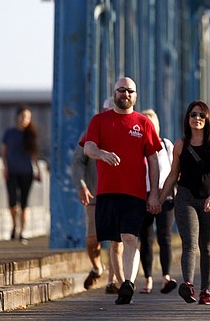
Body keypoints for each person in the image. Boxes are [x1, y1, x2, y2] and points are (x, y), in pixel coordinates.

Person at [82, 77, 163, 305]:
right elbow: (88, 147)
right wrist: (102, 154)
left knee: (129, 238)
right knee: (112, 241)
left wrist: (154, 192)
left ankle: (128, 283)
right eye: (121, 90)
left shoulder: (143, 123)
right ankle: (120, 281)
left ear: (135, 96)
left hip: (134, 193)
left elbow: (153, 158)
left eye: (130, 91)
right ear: (114, 93)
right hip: (107, 192)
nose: (125, 94)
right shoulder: (99, 120)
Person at [160, 100, 210, 305]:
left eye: (201, 115)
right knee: (189, 243)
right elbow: (173, 175)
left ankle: (205, 290)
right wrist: (158, 199)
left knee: (206, 246)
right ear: (187, 119)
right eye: (193, 114)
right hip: (186, 197)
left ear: (207, 120)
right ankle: (187, 284)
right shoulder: (180, 145)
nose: (196, 118)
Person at [71, 97, 119, 293]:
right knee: (93, 240)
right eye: (106, 111)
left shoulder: (126, 132)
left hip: (118, 194)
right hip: (95, 194)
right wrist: (81, 184)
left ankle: (113, 281)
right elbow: (77, 162)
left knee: (117, 242)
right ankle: (98, 267)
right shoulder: (90, 133)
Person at [138, 109, 177, 294]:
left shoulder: (166, 145)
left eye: (151, 123)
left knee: (165, 237)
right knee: (145, 239)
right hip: (142, 195)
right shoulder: (136, 145)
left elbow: (173, 171)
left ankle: (166, 277)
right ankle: (147, 280)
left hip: (165, 195)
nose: (149, 126)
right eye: (145, 123)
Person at [0, 105, 42, 244]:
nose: (25, 119)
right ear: (17, 117)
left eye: (28, 117)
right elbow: (4, 151)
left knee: (24, 202)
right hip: (12, 171)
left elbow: (35, 154)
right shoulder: (9, 133)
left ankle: (22, 232)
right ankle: (14, 225)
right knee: (12, 201)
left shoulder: (31, 134)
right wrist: (5, 167)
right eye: (23, 116)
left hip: (27, 172)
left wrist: (38, 170)